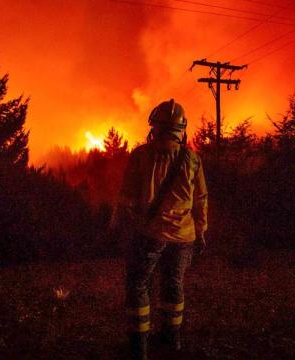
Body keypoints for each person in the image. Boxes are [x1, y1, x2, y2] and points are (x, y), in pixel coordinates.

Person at [113, 99, 208, 360]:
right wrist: (200, 231)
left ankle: (139, 347)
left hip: (150, 234)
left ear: (154, 126)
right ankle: (171, 340)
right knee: (173, 284)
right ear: (181, 129)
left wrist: (120, 225)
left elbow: (127, 198)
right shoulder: (193, 160)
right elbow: (201, 200)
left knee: (138, 284)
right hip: (184, 237)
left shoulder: (141, 156)